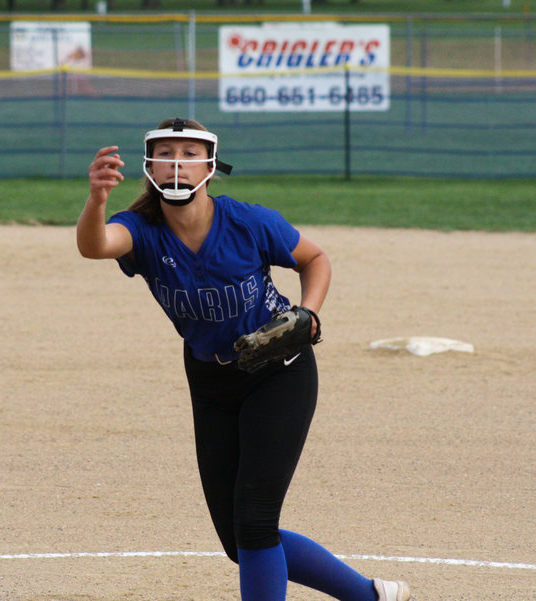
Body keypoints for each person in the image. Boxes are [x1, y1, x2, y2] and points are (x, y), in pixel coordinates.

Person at [76, 117, 411, 601]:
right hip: (210, 380)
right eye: (165, 152)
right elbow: (96, 247)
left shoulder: (248, 221)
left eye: (189, 153)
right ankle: (371, 596)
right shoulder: (141, 229)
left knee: (255, 521)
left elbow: (315, 259)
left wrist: (309, 313)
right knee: (240, 541)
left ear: (210, 166)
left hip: (279, 372)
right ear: (149, 166)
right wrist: (97, 199)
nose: (177, 161)